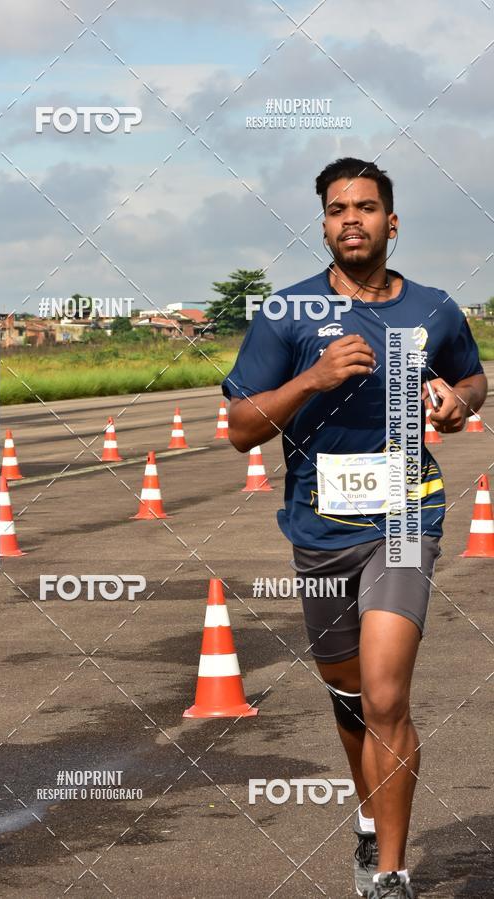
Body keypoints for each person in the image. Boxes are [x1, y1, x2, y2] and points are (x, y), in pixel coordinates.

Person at [221, 157, 487, 898]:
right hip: (320, 526)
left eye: (366, 207)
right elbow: (241, 429)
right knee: (346, 692)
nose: (351, 219)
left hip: (407, 516)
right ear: (325, 223)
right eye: (338, 208)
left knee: (385, 694)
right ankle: (369, 816)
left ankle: (391, 875)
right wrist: (314, 377)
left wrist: (459, 401)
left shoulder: (434, 309)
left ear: (390, 222)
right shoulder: (286, 314)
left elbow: (473, 376)